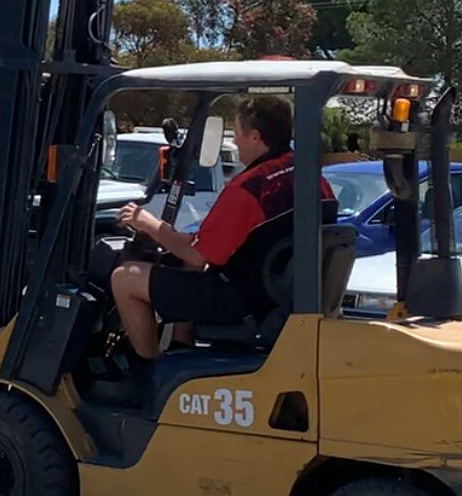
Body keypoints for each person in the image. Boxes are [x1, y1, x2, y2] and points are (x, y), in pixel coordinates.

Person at [107, 95, 325, 361]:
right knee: (189, 265)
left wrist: (147, 223)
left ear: (255, 137)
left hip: (240, 299)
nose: (234, 141)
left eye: (238, 133)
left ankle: (146, 371)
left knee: (125, 278)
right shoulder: (306, 174)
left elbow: (198, 254)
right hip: (274, 290)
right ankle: (180, 344)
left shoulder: (249, 188)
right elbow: (206, 249)